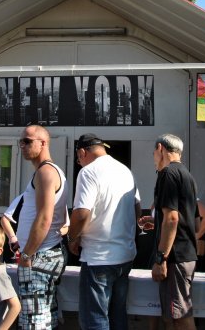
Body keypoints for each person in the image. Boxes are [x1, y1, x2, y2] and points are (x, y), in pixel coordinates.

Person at [66, 133, 141, 330]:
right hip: (125, 255)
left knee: (95, 319)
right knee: (118, 315)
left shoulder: (88, 172)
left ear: (82, 152)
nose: (80, 163)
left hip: (98, 257)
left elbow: (81, 213)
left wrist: (72, 237)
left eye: (78, 159)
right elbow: (137, 208)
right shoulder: (125, 170)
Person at [1, 124, 67, 329]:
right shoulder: (47, 172)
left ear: (43, 143)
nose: (22, 145)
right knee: (45, 315)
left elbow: (44, 218)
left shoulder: (46, 172)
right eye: (21, 141)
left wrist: (27, 254)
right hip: (46, 252)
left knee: (33, 319)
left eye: (27, 141)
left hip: (39, 255)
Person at [148, 133, 198, 330]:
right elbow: (195, 222)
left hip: (175, 257)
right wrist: (157, 222)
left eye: (154, 152)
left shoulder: (168, 174)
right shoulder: (187, 175)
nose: (153, 157)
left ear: (160, 149)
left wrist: (161, 258)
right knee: (175, 315)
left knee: (180, 316)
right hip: (186, 253)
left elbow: (172, 218)